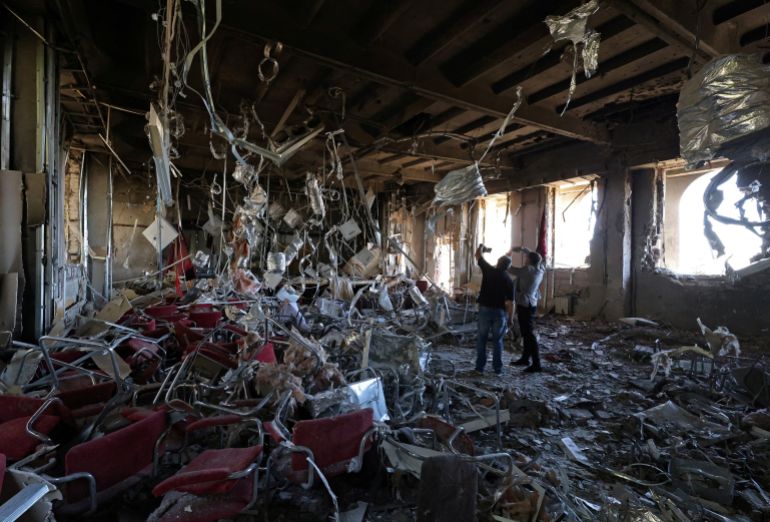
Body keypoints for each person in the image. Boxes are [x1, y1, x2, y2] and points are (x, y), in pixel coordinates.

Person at [474, 244, 515, 375]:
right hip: (500, 313)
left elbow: (478, 255)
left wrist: (481, 247)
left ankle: (479, 368)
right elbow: (511, 302)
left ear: (497, 263)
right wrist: (511, 318)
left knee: (482, 339)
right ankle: (497, 369)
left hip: (485, 310)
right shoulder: (509, 280)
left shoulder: (488, 270)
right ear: (508, 267)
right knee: (498, 341)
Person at [508, 246, 545, 373]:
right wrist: (523, 249)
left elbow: (510, 268)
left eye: (526, 258)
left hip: (525, 303)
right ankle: (525, 358)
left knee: (528, 334)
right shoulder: (540, 268)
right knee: (525, 333)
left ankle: (536, 363)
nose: (525, 259)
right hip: (531, 303)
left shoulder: (528, 270)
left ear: (529, 261)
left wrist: (507, 256)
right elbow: (536, 258)